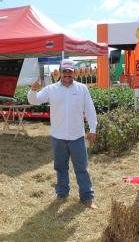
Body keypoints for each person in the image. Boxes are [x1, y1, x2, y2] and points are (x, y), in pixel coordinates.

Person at [27, 59, 98, 209]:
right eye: (64, 71)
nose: (67, 74)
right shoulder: (52, 89)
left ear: (74, 73)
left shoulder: (82, 89)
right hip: (58, 137)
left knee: (82, 168)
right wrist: (33, 90)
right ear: (60, 72)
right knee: (60, 168)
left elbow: (90, 110)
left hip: (77, 136)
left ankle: (87, 197)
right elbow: (35, 101)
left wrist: (93, 129)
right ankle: (62, 194)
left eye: (69, 72)